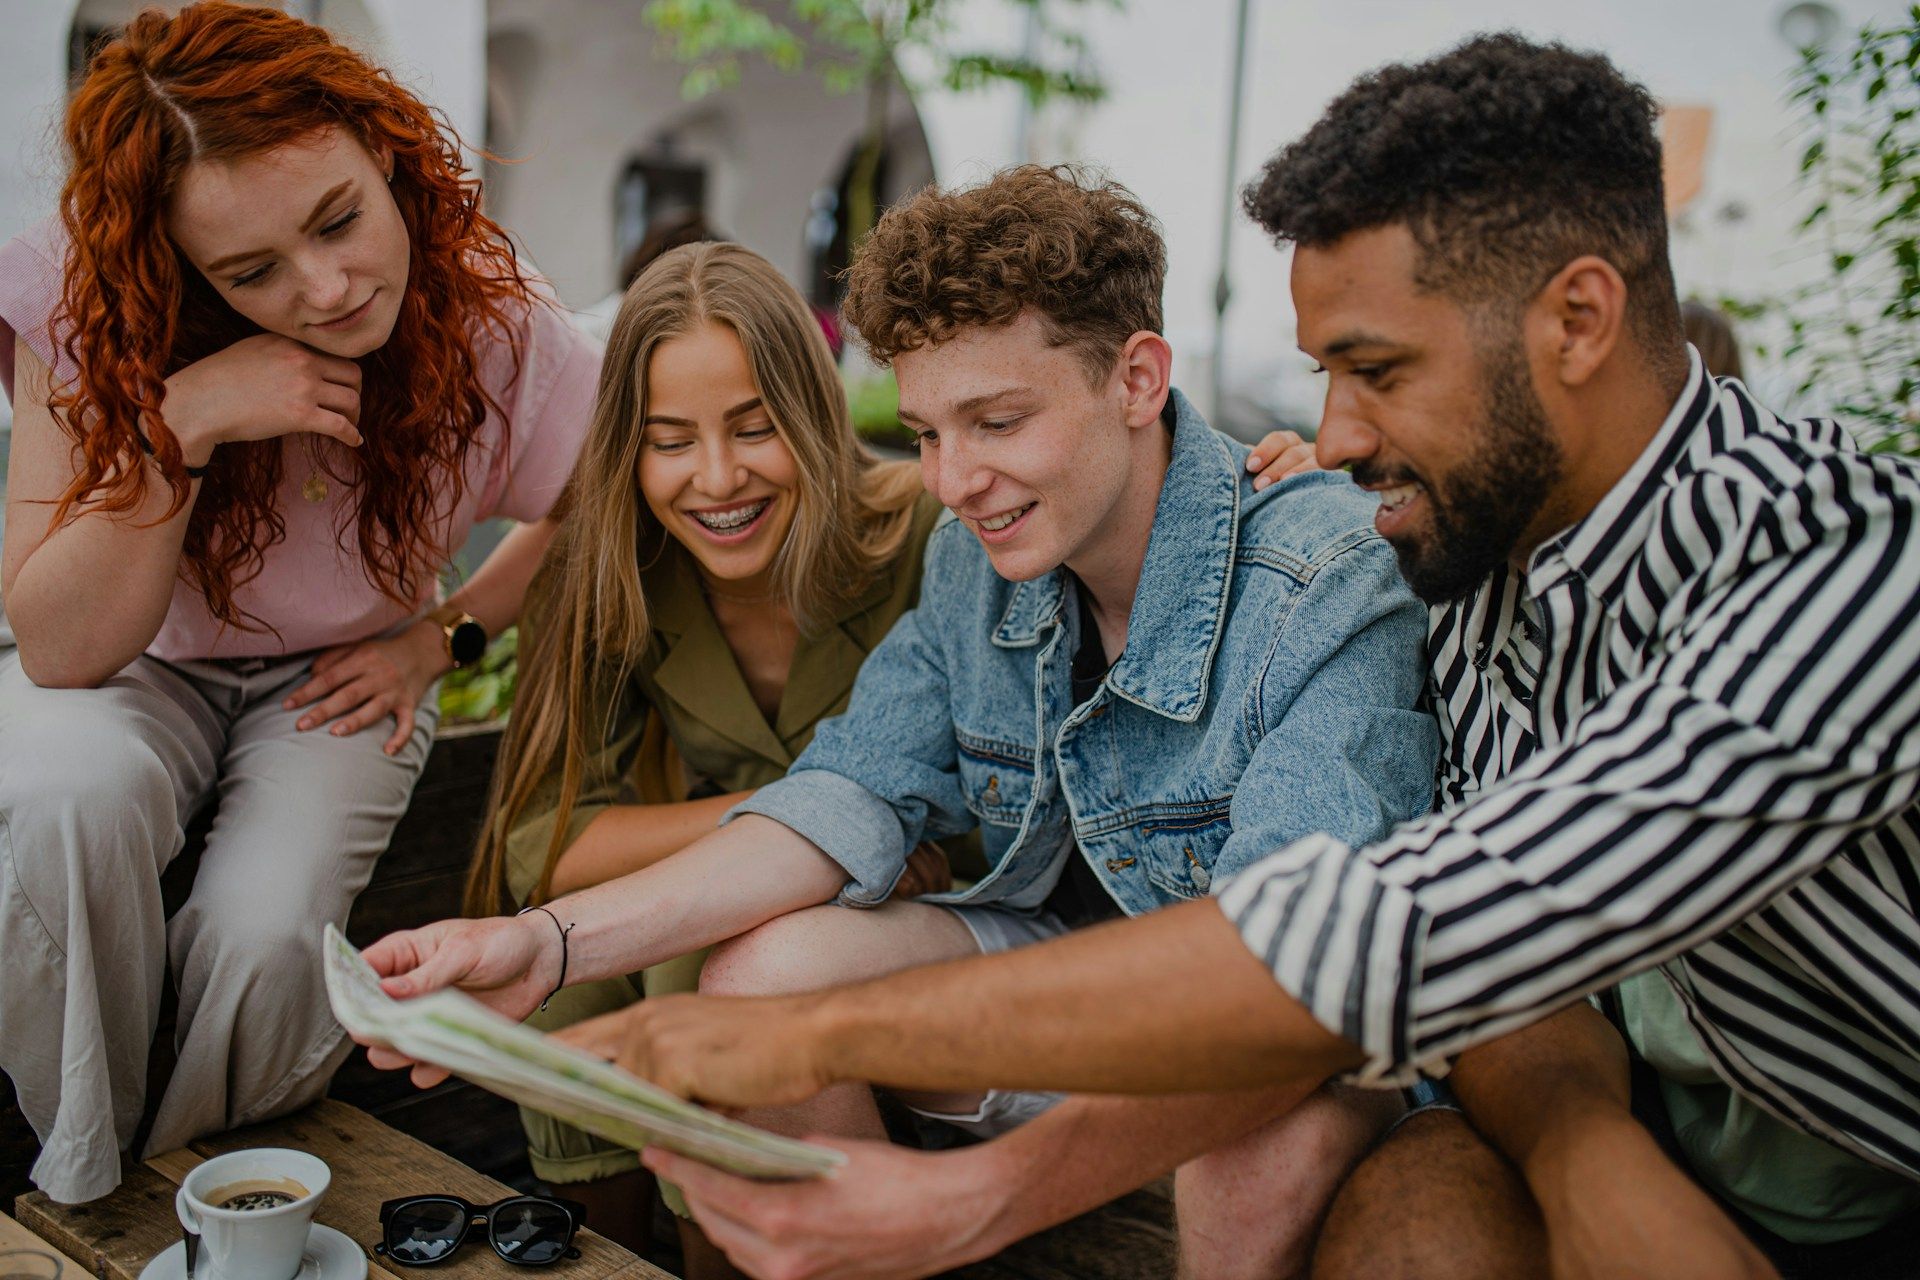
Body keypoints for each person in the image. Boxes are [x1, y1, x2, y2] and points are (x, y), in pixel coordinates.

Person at [579, 35, 1920, 1280]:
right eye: (1323, 377)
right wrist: (1584, 1144)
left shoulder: (1842, 580)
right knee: (1417, 1226)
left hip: (1865, 1178)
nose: (1331, 437)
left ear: (1576, 321)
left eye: (1377, 369)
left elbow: (1356, 942)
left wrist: (821, 1050)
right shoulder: (1482, 554)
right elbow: (1507, 949)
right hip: (1603, 1105)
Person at [362, 164, 1436, 1279]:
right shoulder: (976, 565)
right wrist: (543, 943)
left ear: (1138, 377)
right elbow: (844, 796)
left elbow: (1294, 986)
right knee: (760, 974)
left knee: (1252, 1143)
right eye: (925, 432)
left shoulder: (1323, 582)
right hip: (1070, 977)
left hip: (1289, 1038)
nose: (956, 479)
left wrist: (967, 1196)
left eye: (998, 419)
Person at [0, 3, 600, 1203]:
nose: (326, 288)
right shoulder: (90, 307)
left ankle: (209, 1191)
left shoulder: (490, 308)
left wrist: (448, 631)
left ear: (380, 149)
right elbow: (59, 647)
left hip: (345, 665)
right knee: (65, 794)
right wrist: (188, 423)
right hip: (137, 661)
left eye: (337, 222)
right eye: (248, 271)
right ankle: (82, 1182)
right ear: (178, 266)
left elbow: (593, 503)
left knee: (270, 931)